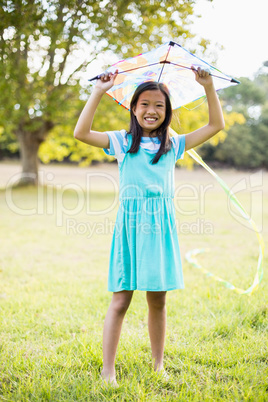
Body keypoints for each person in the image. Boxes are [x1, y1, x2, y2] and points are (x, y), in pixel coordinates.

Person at [74, 67, 225, 386]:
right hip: (129, 228)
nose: (151, 110)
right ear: (132, 108)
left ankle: (158, 364)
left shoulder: (173, 146)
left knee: (158, 300)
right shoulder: (121, 141)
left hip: (160, 230)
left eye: (159, 105)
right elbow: (81, 134)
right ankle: (108, 370)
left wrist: (208, 86)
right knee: (121, 300)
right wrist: (99, 92)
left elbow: (216, 125)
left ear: (167, 111)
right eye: (144, 103)